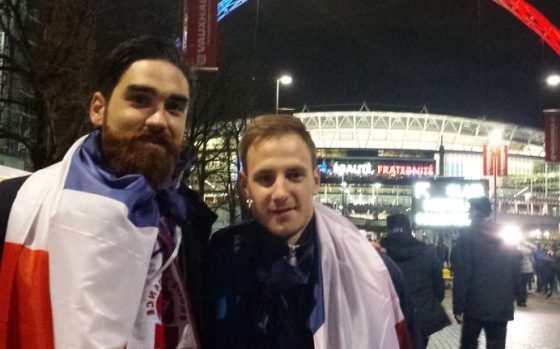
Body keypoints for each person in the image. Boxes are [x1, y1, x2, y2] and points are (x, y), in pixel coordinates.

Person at [0, 36, 216, 348]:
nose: (158, 120)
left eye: (174, 107)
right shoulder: (14, 206)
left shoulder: (188, 225)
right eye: (140, 100)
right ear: (98, 109)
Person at [201, 115, 415, 349]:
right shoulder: (218, 264)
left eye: (294, 175)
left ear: (315, 180)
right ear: (245, 186)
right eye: (265, 178)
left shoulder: (374, 272)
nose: (280, 192)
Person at [451, 197, 521, 349]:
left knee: (469, 344)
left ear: (476, 212)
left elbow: (463, 273)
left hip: (474, 305)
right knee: (496, 345)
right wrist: (517, 296)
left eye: (470, 210)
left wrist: (458, 307)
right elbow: (516, 269)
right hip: (501, 306)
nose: (468, 213)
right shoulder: (504, 236)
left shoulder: (467, 236)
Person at [381, 213, 451, 348]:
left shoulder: (379, 254)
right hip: (421, 319)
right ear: (409, 229)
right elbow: (439, 290)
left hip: (390, 320)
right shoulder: (427, 253)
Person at [515, 241, 535, 306]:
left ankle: (519, 300)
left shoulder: (517, 249)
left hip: (520, 269)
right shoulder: (529, 250)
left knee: (519, 285)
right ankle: (524, 300)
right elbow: (533, 260)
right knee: (524, 285)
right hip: (528, 269)